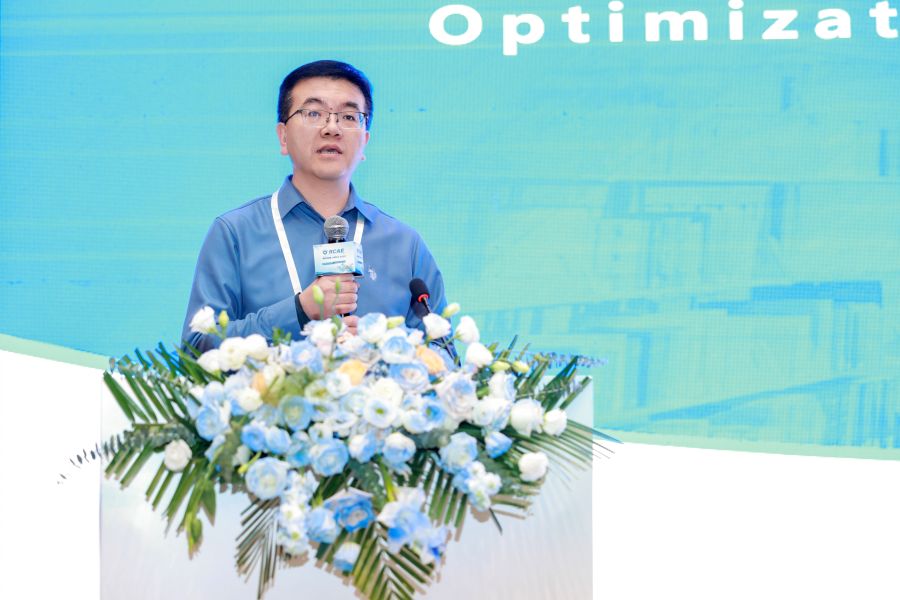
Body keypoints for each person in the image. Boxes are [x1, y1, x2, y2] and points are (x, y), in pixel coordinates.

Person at [181, 60, 447, 351]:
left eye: (349, 116)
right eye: (313, 113)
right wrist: (299, 311)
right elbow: (197, 346)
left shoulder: (404, 245)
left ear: (365, 141)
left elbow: (445, 355)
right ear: (283, 136)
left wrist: (383, 350)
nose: (332, 128)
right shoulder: (235, 233)